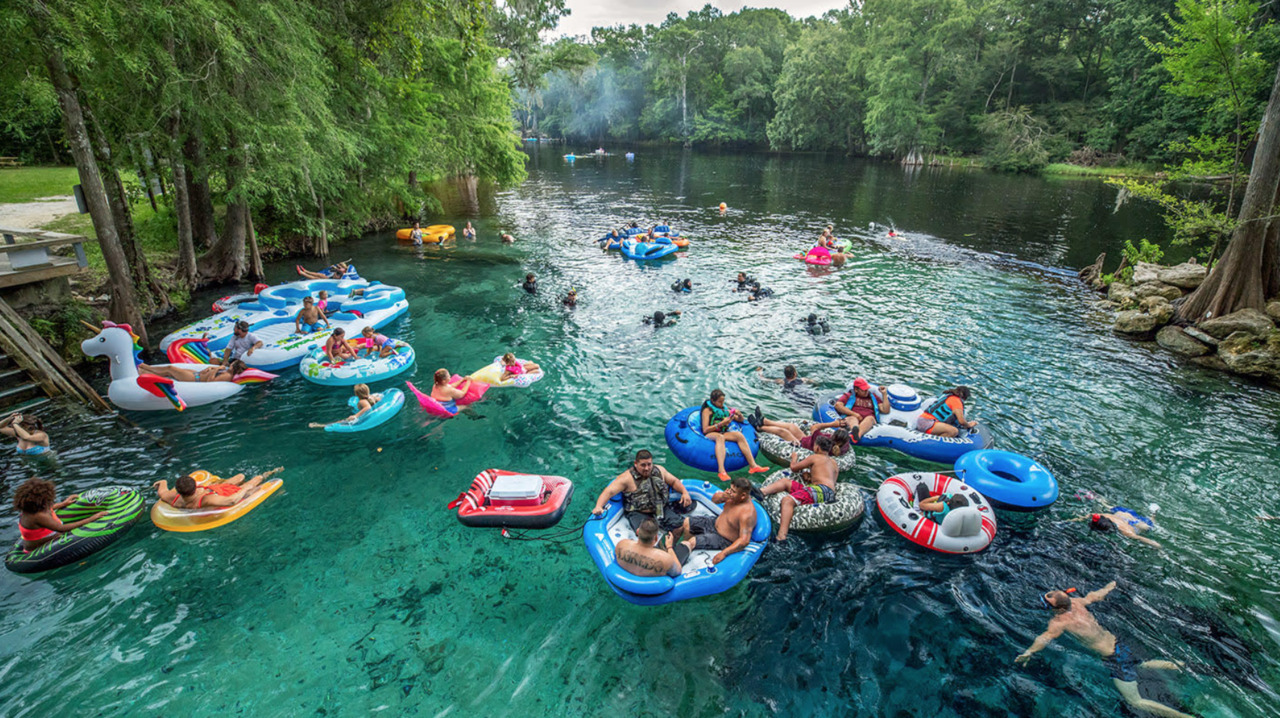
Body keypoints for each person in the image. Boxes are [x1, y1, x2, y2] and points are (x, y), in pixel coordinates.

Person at [1017, 582, 1192, 718]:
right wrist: (1109, 586)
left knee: (1135, 701)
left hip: (1114, 658)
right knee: (1142, 664)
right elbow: (1094, 596)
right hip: (1120, 644)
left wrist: (1028, 653)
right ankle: (1186, 666)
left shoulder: (1059, 622)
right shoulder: (1078, 603)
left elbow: (1044, 638)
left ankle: (1184, 716)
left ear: (1055, 608)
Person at [591, 450, 693, 533]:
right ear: (636, 464)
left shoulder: (660, 470)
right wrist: (599, 506)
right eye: (643, 465)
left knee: (680, 527)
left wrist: (685, 492)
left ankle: (670, 548)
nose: (647, 468)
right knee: (645, 535)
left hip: (660, 507)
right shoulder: (626, 478)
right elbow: (608, 491)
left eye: (649, 464)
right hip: (638, 512)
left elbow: (674, 481)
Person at [757, 437, 838, 540]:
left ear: (817, 448)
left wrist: (794, 458)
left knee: (787, 500)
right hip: (827, 492)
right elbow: (829, 480)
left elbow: (794, 468)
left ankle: (781, 536)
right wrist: (810, 476)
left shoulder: (815, 457)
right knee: (786, 482)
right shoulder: (834, 463)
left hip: (820, 491)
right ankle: (762, 492)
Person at [676, 475, 757, 564]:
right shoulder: (732, 497)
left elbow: (744, 541)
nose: (730, 492)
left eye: (733, 491)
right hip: (715, 523)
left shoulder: (747, 514)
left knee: (692, 541)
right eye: (730, 489)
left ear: (743, 496)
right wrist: (723, 496)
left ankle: (678, 563)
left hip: (724, 539)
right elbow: (714, 500)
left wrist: (724, 553)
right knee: (687, 522)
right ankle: (683, 550)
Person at [13, 478, 106, 551]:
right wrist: (92, 518)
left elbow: (49, 508)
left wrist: (63, 504)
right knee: (67, 535)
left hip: (45, 537)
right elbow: (61, 529)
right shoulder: (38, 516)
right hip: (39, 549)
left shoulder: (31, 508)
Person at [700, 389, 771, 481]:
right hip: (710, 433)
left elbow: (740, 420)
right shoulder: (707, 411)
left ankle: (753, 466)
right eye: (719, 402)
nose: (722, 404)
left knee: (739, 435)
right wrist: (721, 424)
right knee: (720, 437)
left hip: (722, 432)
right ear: (713, 401)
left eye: (723, 401)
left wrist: (739, 414)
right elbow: (705, 430)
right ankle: (721, 471)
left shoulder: (724, 409)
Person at [153, 467, 284, 510]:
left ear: (178, 491)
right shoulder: (206, 500)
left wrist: (162, 482)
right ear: (196, 487)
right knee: (256, 480)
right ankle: (270, 472)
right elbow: (232, 501)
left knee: (240, 476)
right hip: (220, 493)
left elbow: (162, 492)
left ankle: (238, 481)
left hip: (216, 488)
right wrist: (246, 488)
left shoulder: (172, 498)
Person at [615, 518, 685, 577]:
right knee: (687, 544)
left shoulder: (622, 544)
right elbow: (678, 572)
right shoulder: (665, 559)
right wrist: (669, 547)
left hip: (623, 582)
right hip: (650, 589)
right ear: (656, 538)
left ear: (637, 532)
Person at [834, 378, 891, 442]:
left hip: (867, 420)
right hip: (853, 418)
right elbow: (838, 405)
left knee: (870, 418)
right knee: (852, 418)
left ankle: (857, 435)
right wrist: (854, 414)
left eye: (867, 389)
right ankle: (854, 429)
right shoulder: (849, 395)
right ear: (856, 390)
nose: (866, 391)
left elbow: (885, 410)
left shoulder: (873, 397)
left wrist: (884, 394)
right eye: (864, 390)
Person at [1068, 509, 1162, 548]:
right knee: (1113, 509)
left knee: (1147, 526)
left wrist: (1158, 546)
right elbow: (1091, 515)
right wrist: (1074, 519)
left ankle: (1153, 514)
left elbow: (1140, 538)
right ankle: (1102, 501)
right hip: (1123, 513)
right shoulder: (1102, 516)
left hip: (1135, 523)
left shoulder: (1125, 531)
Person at [310, 384, 381, 428]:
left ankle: (320, 425)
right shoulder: (372, 397)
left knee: (342, 421)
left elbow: (367, 407)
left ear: (356, 394)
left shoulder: (362, 401)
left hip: (363, 418)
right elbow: (378, 400)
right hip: (369, 415)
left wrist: (356, 416)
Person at [140, 359, 248, 383]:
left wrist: (216, 369)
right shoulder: (226, 372)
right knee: (168, 372)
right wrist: (212, 369)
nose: (231, 364)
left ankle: (147, 368)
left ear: (234, 367)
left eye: (232, 364)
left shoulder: (227, 376)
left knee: (170, 368)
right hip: (197, 374)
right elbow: (208, 371)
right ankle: (145, 371)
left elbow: (210, 381)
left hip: (195, 378)